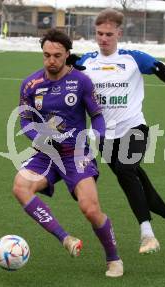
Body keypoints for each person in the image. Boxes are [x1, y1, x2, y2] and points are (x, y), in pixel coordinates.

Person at [69, 8, 165, 254]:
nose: (103, 39)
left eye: (108, 34)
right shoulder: (86, 62)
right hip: (105, 135)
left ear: (119, 33)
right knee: (136, 181)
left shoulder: (133, 58)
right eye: (99, 34)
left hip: (134, 128)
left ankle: (147, 234)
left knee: (127, 170)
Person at [13, 29, 123, 277]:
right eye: (46, 55)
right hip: (47, 153)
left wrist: (97, 135)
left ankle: (114, 258)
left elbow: (97, 116)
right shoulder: (30, 85)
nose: (51, 60)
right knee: (20, 186)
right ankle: (65, 239)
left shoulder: (81, 82)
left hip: (76, 153)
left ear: (67, 55)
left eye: (57, 55)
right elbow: (25, 122)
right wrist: (39, 139)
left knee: (90, 209)